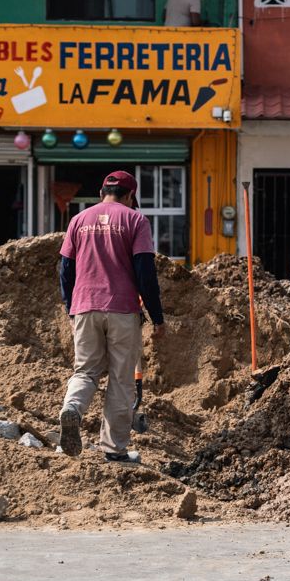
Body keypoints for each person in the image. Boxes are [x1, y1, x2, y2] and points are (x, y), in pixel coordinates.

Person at [57, 170, 165, 463]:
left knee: (86, 371)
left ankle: (73, 409)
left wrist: (71, 307)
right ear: (131, 195)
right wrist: (157, 318)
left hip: (84, 306)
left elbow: (65, 269)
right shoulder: (135, 219)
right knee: (120, 379)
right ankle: (114, 449)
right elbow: (145, 273)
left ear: (102, 191)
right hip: (121, 309)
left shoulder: (78, 220)